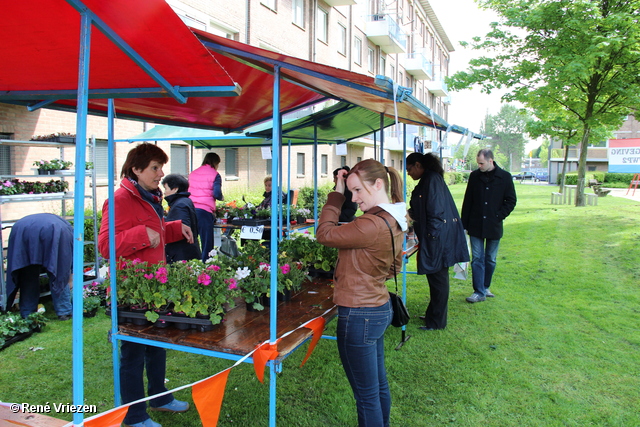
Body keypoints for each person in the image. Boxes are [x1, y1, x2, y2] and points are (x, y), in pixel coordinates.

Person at [98, 143, 193, 427]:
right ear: (136, 169)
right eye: (155, 167)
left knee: (157, 345)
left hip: (155, 287)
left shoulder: (151, 197)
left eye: (161, 167)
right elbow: (105, 246)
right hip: (132, 292)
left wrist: (175, 228)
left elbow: (156, 231)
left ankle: (160, 397)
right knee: (133, 352)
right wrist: (142, 234)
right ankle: (133, 415)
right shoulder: (118, 200)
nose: (160, 173)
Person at [316, 159, 407, 427]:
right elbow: (395, 267)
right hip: (378, 307)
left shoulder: (371, 224)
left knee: (367, 396)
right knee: (377, 387)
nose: (353, 199)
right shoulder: (394, 217)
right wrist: (370, 273)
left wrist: (336, 192)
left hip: (359, 314)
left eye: (357, 191)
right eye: (350, 192)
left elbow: (324, 233)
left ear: (378, 184)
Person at [406, 153, 469, 330]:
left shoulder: (431, 180)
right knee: (436, 279)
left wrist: (431, 238)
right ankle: (433, 315)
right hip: (437, 236)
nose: (409, 173)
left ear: (418, 165)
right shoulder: (429, 179)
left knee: (439, 280)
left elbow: (435, 212)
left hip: (438, 238)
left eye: (410, 169)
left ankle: (436, 322)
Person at [461, 149, 517, 303]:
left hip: (494, 225)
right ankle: (478, 291)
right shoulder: (474, 176)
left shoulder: (505, 177)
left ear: (490, 161)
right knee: (477, 258)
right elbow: (468, 201)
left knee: (490, 259)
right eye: (478, 163)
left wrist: (498, 216)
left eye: (481, 163)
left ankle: (485, 287)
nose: (479, 166)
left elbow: (511, 200)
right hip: (475, 224)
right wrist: (463, 225)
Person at [5, 213, 73, 320]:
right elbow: (65, 266)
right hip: (52, 231)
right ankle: (63, 311)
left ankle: (28, 313)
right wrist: (69, 277)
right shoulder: (66, 229)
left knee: (27, 275)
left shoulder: (62, 225)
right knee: (59, 272)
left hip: (21, 230)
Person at [188, 152, 223, 262]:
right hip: (204, 211)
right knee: (207, 242)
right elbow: (217, 193)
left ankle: (190, 265)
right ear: (216, 162)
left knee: (191, 239)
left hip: (190, 209)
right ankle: (207, 266)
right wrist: (222, 198)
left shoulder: (193, 173)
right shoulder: (215, 174)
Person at [162, 174, 202, 263]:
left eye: (166, 188)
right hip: (188, 252)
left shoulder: (180, 205)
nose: (164, 192)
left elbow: (182, 229)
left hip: (181, 255)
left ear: (175, 189)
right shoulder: (185, 201)